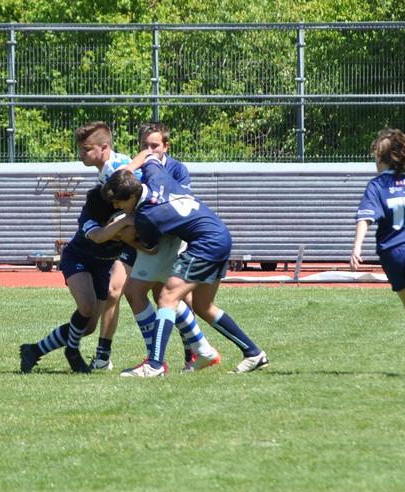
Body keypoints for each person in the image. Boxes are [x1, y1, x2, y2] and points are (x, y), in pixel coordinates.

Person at [102, 158, 269, 377]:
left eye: (119, 203)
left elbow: (151, 249)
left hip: (205, 245)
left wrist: (126, 235)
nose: (116, 207)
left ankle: (154, 365)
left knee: (167, 297)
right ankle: (254, 353)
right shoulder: (156, 177)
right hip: (221, 235)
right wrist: (127, 171)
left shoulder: (147, 217)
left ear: (133, 196)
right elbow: (150, 157)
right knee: (203, 306)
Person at [88, 122, 220, 373]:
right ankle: (170, 355)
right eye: (144, 145)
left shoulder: (176, 169)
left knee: (168, 296)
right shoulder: (137, 168)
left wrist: (131, 226)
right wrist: (126, 228)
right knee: (124, 290)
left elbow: (176, 208)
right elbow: (132, 197)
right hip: (142, 235)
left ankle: (188, 354)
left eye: (155, 145)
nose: (150, 150)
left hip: (165, 237)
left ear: (166, 146)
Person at [19, 185, 139, 374]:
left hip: (103, 267)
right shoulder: (90, 212)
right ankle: (72, 351)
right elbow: (99, 236)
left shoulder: (128, 206)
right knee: (87, 306)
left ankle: (34, 350)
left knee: (88, 327)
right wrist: (125, 221)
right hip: (78, 259)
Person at [351, 128, 405, 376]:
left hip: (390, 254)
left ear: (383, 158)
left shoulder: (378, 185)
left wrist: (357, 247)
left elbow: (366, 217)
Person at [74, 121, 135, 371]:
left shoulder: (115, 169)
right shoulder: (110, 168)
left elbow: (136, 201)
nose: (81, 154)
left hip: (145, 233)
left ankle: (184, 352)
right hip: (134, 234)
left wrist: (123, 225)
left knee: (164, 296)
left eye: (87, 149)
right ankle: (102, 357)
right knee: (119, 293)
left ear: (105, 147)